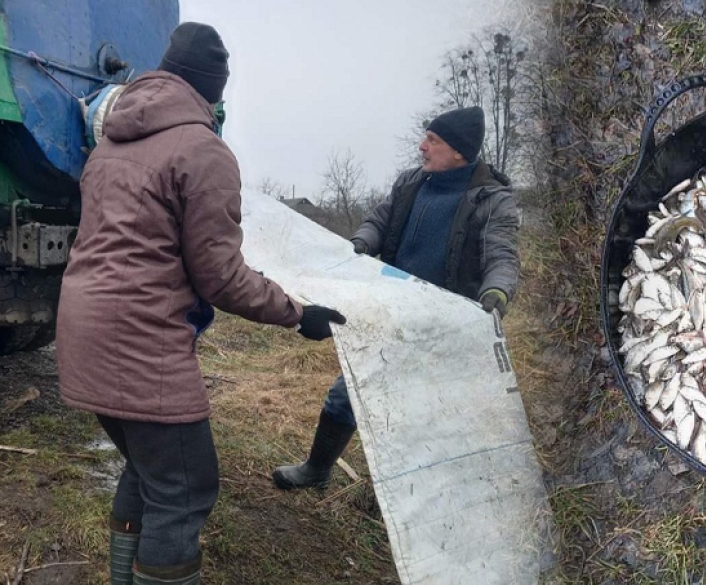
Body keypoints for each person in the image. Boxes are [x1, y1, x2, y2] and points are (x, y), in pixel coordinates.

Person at [54, 22, 346, 585]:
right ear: (213, 88)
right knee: (186, 489)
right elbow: (219, 277)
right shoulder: (202, 149)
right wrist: (296, 313)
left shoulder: (110, 143)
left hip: (83, 328)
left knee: (149, 469)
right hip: (139, 341)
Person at [271, 105, 521, 490]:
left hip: (443, 326)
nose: (422, 147)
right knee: (346, 394)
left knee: (432, 417)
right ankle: (316, 470)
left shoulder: (493, 200)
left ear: (458, 151)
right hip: (392, 314)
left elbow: (501, 254)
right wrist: (359, 244)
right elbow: (378, 221)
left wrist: (497, 291)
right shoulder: (411, 182)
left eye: (432, 140)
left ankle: (426, 498)